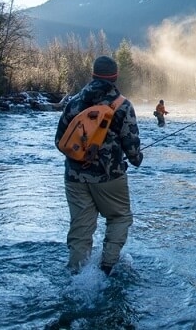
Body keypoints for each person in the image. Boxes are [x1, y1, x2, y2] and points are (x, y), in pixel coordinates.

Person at [54, 55, 142, 275]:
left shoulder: (73, 102)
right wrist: (136, 158)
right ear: (115, 77)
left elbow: (60, 141)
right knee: (119, 217)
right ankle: (106, 268)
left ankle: (76, 274)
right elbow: (132, 151)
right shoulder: (122, 105)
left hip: (74, 176)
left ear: (93, 74)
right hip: (109, 177)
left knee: (81, 228)